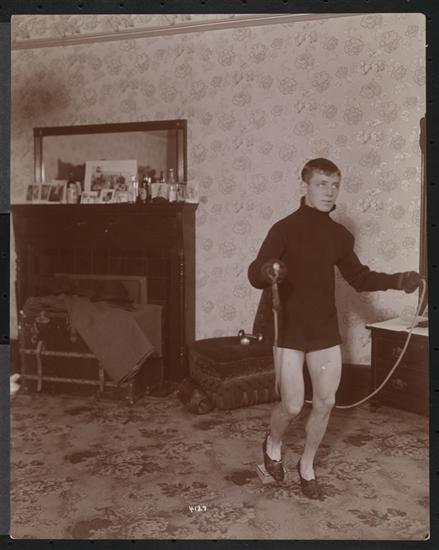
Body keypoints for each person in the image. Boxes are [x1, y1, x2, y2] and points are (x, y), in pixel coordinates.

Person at [248, 158, 421, 500]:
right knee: (292, 405)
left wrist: (398, 280)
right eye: (321, 184)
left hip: (323, 327)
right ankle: (273, 443)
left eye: (334, 185)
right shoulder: (283, 229)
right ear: (304, 187)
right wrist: (267, 270)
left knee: (325, 402)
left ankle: (307, 466)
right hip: (289, 328)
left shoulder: (339, 235)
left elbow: (360, 278)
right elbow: (255, 273)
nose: (329, 192)